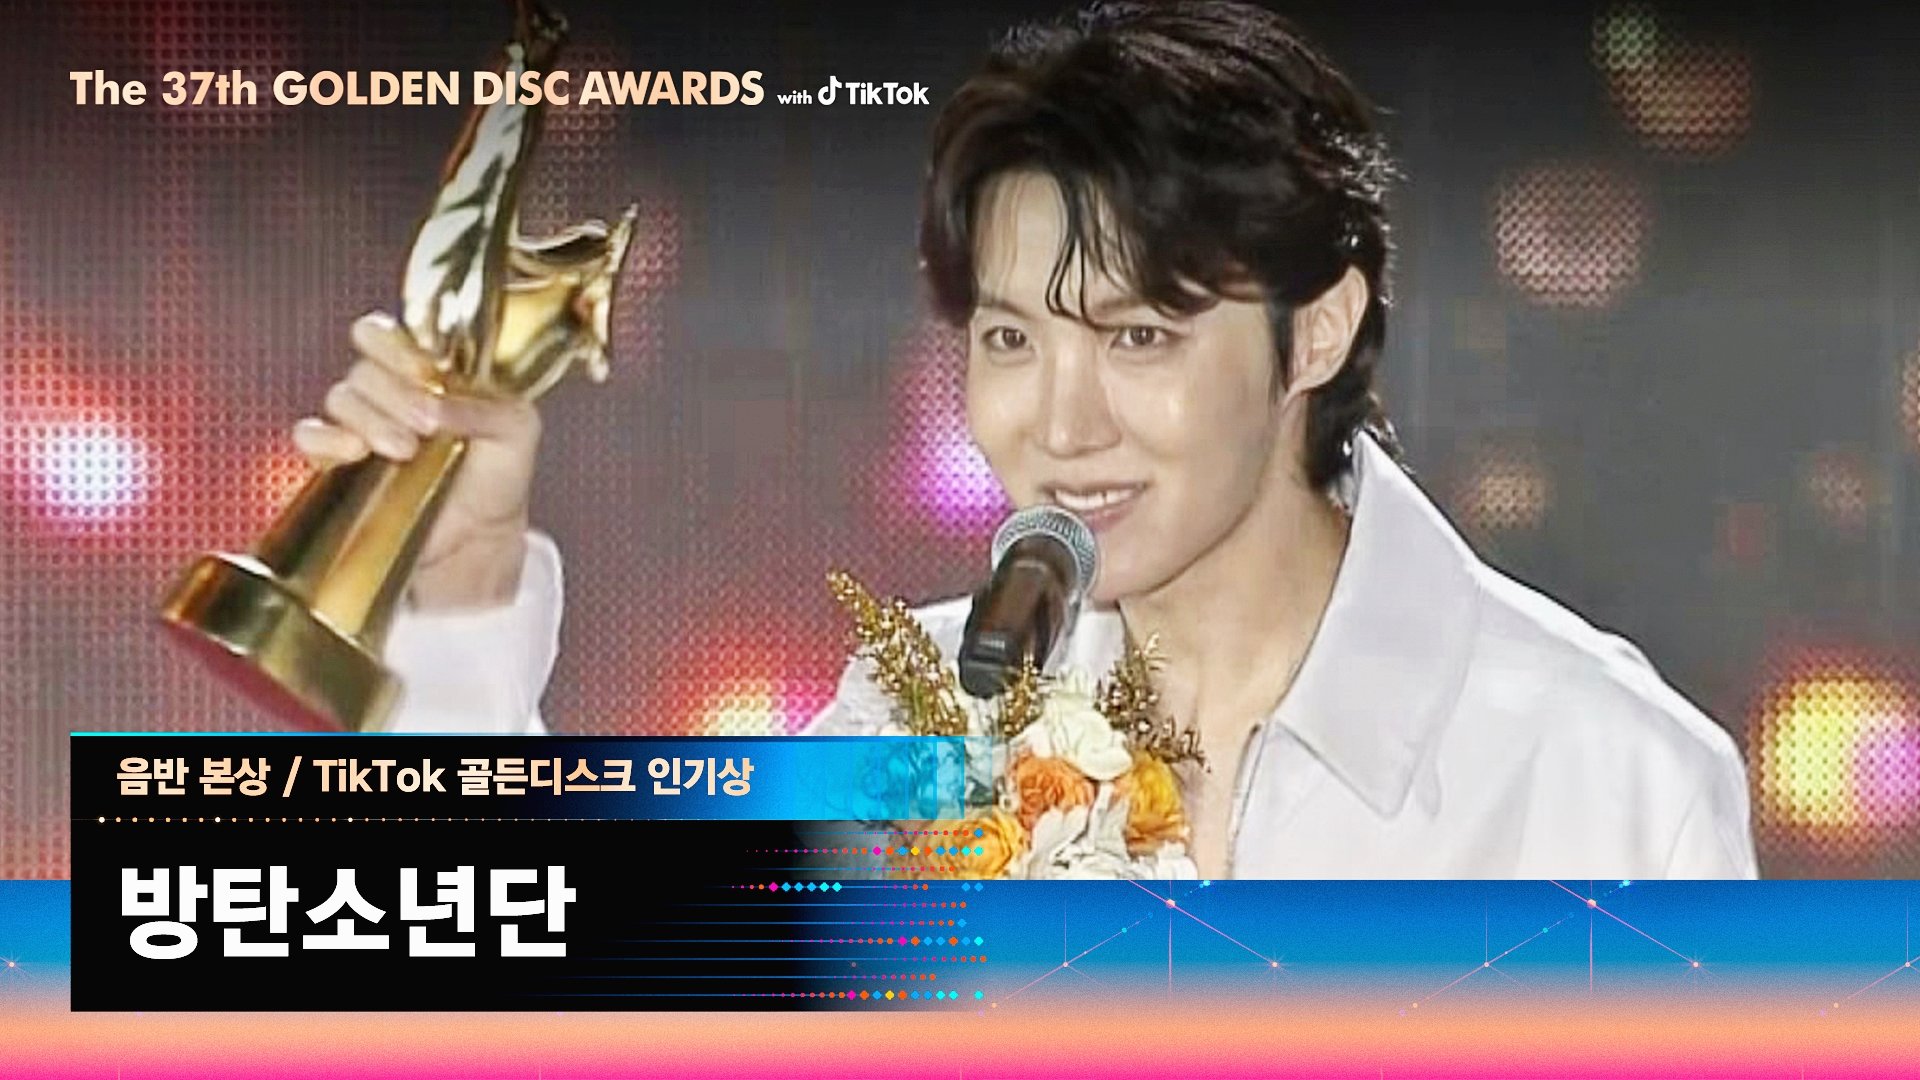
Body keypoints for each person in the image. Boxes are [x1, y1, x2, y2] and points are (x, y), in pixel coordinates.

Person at [294, 1, 1758, 879]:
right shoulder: (924, 720)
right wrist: (462, 597)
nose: (1058, 426)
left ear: (1315, 333)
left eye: (1139, 338)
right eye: (1010, 340)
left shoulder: (1605, 780)